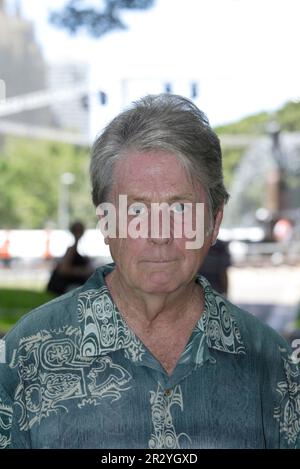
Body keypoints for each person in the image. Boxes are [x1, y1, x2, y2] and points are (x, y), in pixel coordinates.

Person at [0, 94, 299, 449]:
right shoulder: (25, 356)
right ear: (107, 224)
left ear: (214, 222)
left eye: (180, 208)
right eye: (137, 210)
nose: (159, 234)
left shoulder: (272, 364)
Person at [47, 221, 94, 295]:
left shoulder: (83, 251)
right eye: (77, 230)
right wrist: (80, 271)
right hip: (66, 287)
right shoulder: (70, 250)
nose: (79, 233)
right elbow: (63, 270)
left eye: (80, 230)